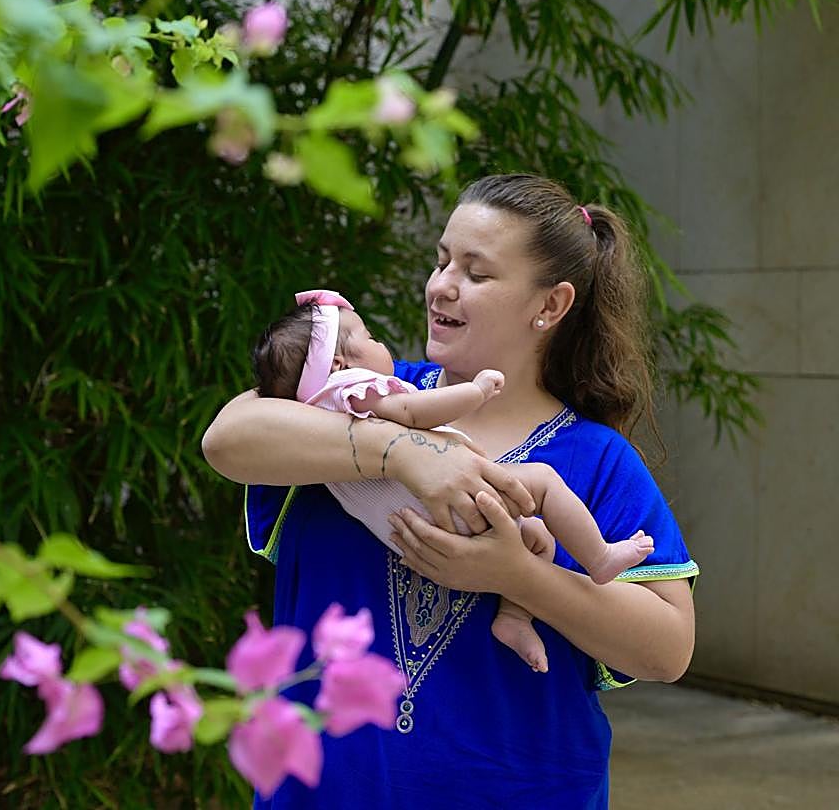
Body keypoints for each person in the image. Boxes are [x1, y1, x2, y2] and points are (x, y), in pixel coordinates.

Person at [202, 174, 698, 808]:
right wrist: (403, 452)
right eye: (441, 261)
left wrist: (517, 575)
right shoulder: (346, 402)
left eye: (476, 272)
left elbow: (668, 649)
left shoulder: (597, 458)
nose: (440, 285)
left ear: (550, 306)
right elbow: (227, 439)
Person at [250, 288, 656, 672]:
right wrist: (475, 391)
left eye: (476, 273)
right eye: (370, 337)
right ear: (339, 365)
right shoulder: (355, 389)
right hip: (447, 506)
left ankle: (513, 617)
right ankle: (599, 558)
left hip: (414, 522)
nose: (442, 285)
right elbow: (412, 411)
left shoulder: (312, 413)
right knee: (544, 482)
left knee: (536, 538)